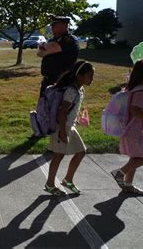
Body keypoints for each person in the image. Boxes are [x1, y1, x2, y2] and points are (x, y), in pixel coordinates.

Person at [44, 61, 95, 196]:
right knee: (58, 156)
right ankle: (49, 184)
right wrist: (62, 132)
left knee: (81, 152)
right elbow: (62, 112)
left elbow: (71, 110)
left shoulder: (79, 90)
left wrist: (76, 120)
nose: (92, 79)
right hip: (62, 126)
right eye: (90, 76)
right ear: (80, 76)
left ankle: (68, 179)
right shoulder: (71, 91)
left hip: (69, 126)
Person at [110, 60, 143, 196]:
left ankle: (128, 185)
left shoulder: (133, 89)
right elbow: (135, 110)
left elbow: (136, 109)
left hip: (129, 129)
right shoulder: (142, 91)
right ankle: (119, 173)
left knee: (136, 157)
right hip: (135, 130)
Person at [37, 16, 79, 97]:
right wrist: (44, 48)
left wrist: (43, 46)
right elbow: (39, 53)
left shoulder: (68, 40)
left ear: (63, 26)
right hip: (48, 81)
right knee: (43, 106)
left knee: (55, 107)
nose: (51, 27)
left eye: (54, 25)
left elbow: (43, 51)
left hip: (61, 82)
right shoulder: (54, 40)